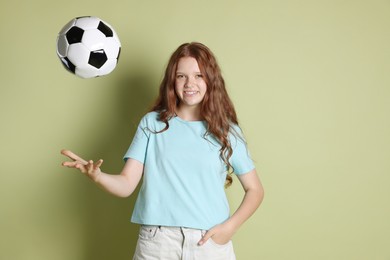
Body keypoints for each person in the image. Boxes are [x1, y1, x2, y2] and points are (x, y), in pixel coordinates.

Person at [61, 42, 264, 260]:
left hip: (209, 243)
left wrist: (229, 228)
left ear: (211, 80)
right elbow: (126, 184)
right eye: (181, 76)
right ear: (172, 81)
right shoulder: (152, 124)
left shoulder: (227, 130)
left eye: (198, 75)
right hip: (157, 243)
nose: (190, 83)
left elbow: (255, 190)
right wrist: (97, 176)